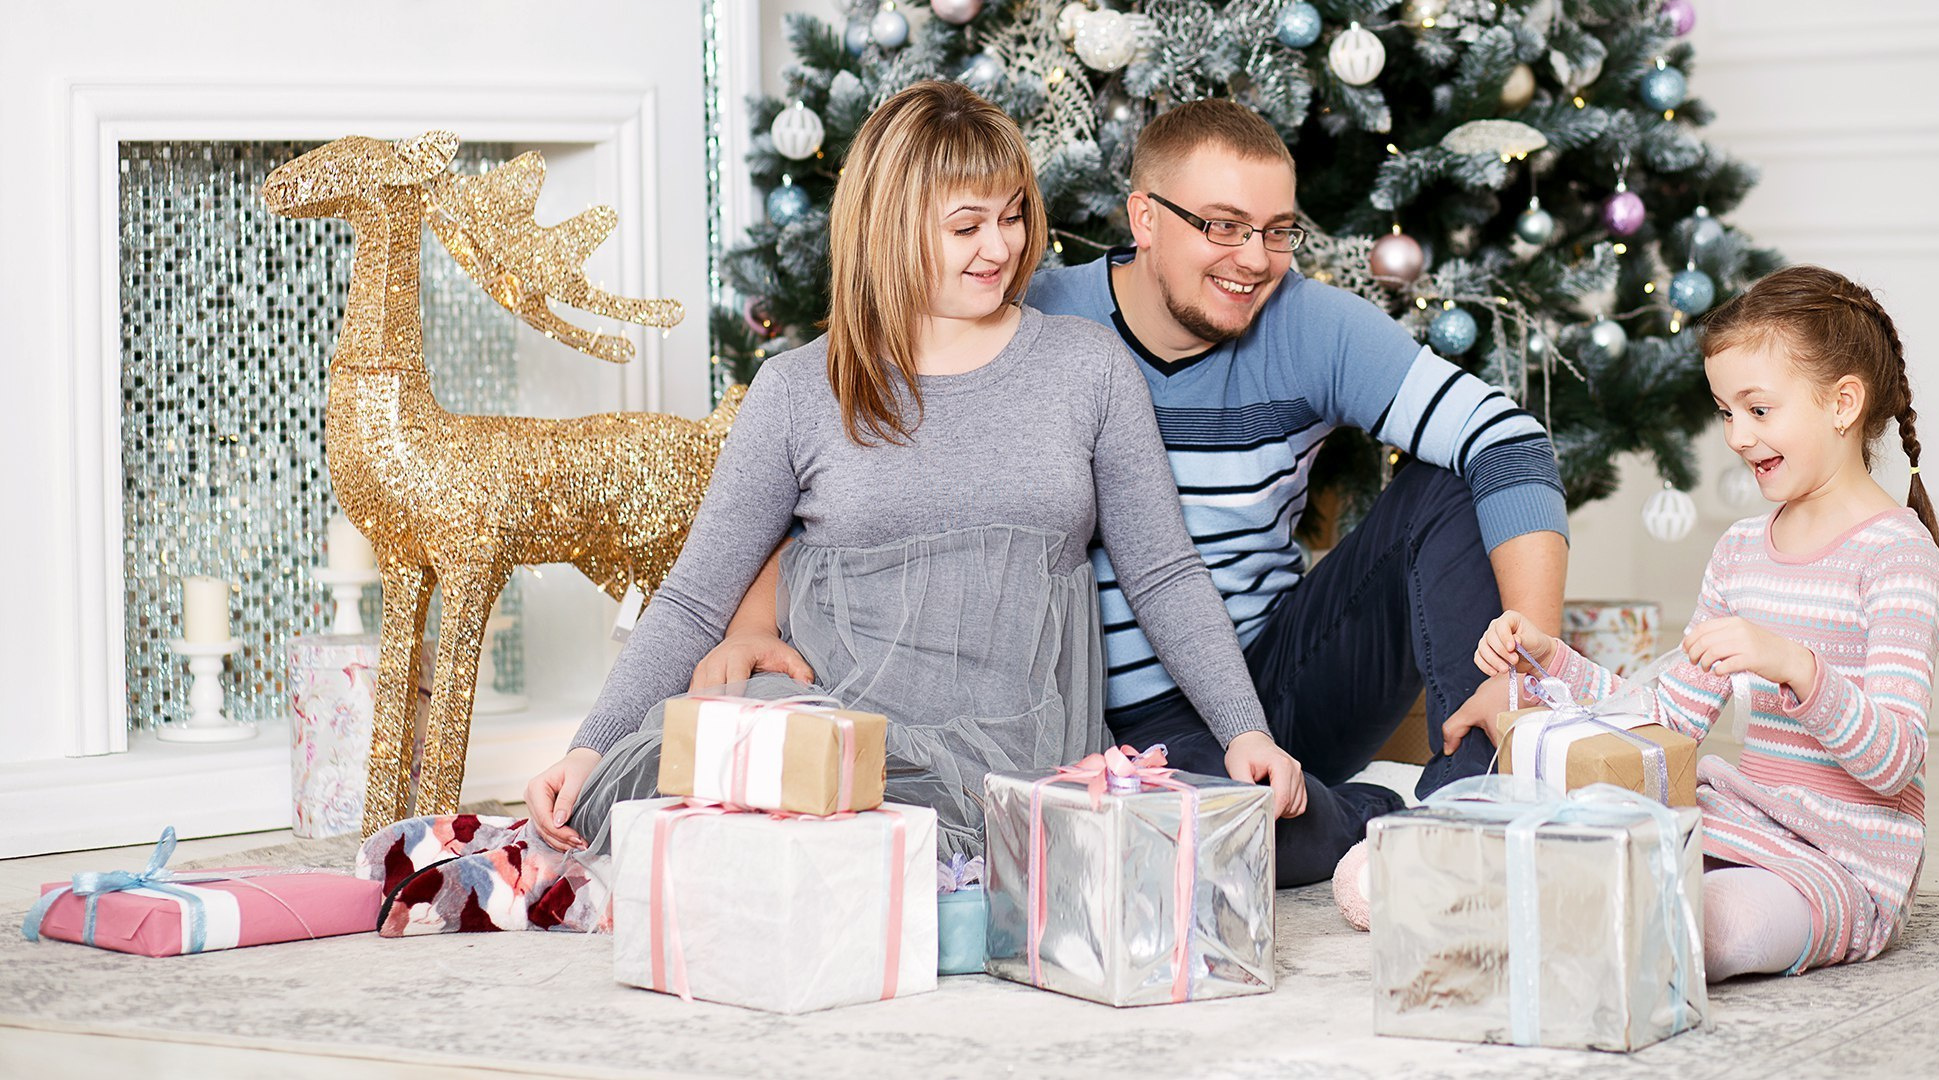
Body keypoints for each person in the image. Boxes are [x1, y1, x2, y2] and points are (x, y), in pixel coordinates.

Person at [360, 82, 1303, 935]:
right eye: (966, 223)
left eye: (1013, 217)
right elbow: (695, 596)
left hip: (1015, 741)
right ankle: (540, 869)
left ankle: (624, 881)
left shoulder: (1086, 368)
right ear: (891, 227)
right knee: (726, 751)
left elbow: (1164, 571)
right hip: (832, 723)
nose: (1002, 246)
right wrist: (586, 746)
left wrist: (1243, 729)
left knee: (859, 850)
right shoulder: (799, 389)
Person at [1027, 100, 1570, 885]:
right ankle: (1370, 819)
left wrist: (1523, 674)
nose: (1255, 258)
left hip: (1285, 674)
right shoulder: (1043, 320)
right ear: (1144, 219)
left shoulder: (1311, 324)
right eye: (1223, 225)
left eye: (1277, 229)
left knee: (1454, 472)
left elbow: (1508, 440)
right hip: (1137, 722)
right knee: (1201, 845)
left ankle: (1476, 809)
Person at [1456, 264, 1939, 981]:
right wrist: (1551, 659)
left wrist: (1796, 667)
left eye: (1758, 409)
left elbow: (1894, 761)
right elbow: (1668, 720)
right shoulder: (1741, 552)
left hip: (1844, 869)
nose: (1738, 436)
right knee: (1634, 880)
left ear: (1843, 403)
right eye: (1725, 412)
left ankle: (1559, 921)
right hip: (1738, 824)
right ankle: (1521, 906)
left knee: (1712, 922)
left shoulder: (1901, 557)